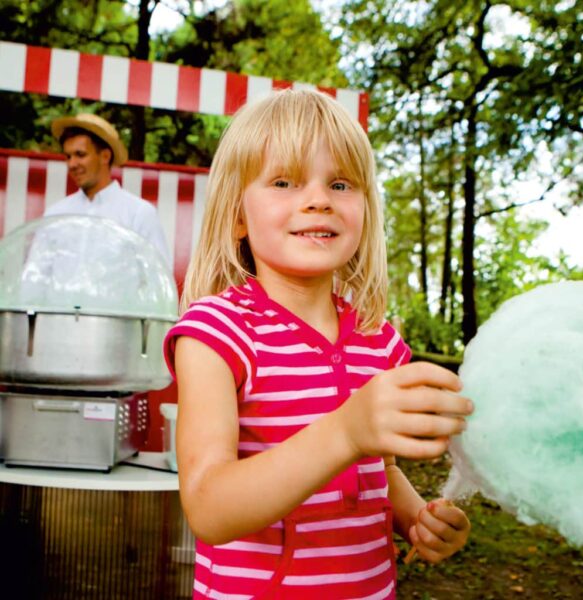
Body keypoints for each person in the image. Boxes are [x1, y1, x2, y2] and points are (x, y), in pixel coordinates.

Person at [164, 89, 473, 599]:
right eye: (284, 181)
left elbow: (381, 471)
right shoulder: (216, 333)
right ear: (238, 216)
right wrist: (345, 432)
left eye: (340, 183)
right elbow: (208, 509)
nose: (319, 199)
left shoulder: (381, 341)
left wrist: (416, 515)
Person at [47, 112, 170, 263]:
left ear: (105, 156)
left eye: (80, 154)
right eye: (68, 156)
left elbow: (158, 279)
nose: (72, 164)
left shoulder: (138, 215)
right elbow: (35, 279)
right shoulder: (55, 215)